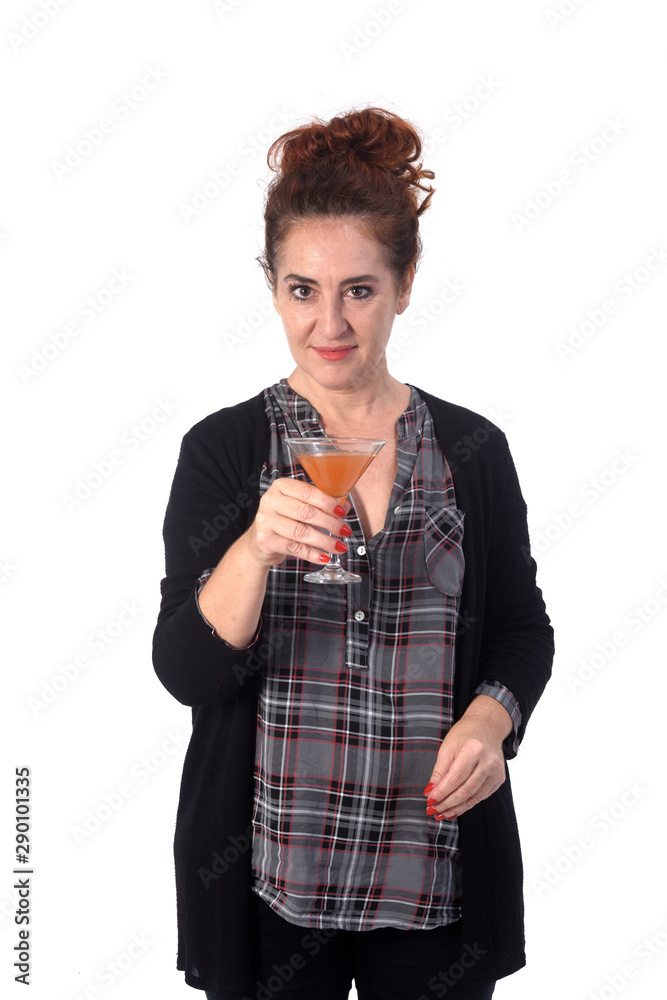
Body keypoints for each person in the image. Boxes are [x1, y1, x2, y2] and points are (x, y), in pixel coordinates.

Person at [152, 106, 554, 1000]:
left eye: (359, 290)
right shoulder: (224, 449)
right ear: (273, 289)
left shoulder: (471, 450)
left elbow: (522, 629)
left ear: (404, 285)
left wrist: (490, 722)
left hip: (434, 878)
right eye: (303, 290)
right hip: (270, 885)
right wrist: (255, 549)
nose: (328, 323)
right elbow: (184, 671)